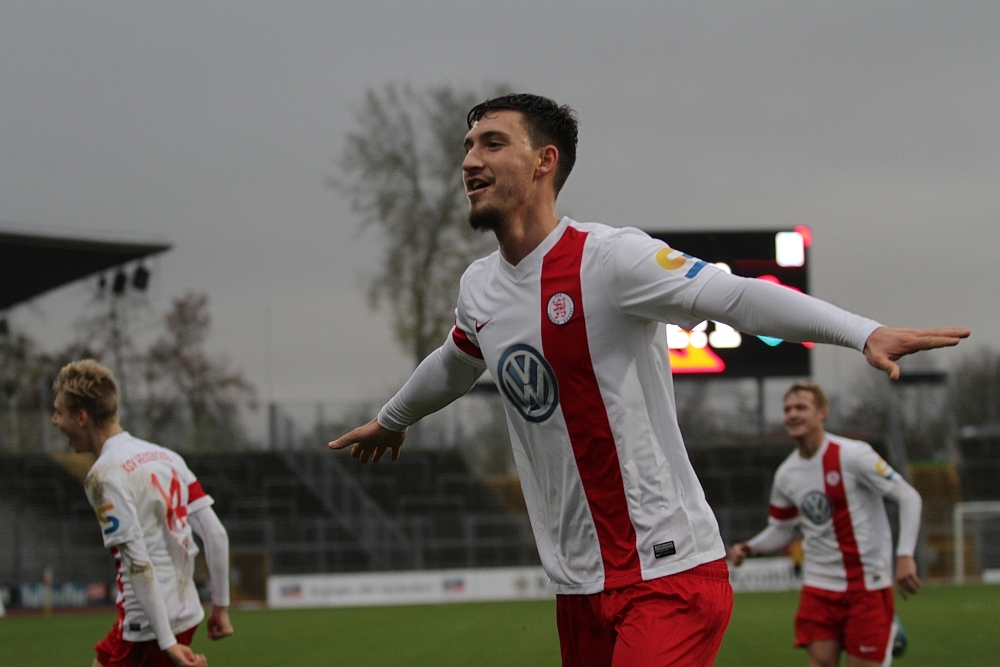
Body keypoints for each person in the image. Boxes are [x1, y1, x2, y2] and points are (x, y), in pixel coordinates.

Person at [330, 93, 967, 667]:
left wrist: (862, 332)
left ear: (545, 161)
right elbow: (455, 360)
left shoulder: (610, 259)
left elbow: (737, 297)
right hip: (578, 586)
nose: (470, 160)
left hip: (668, 575)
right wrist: (393, 419)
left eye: (492, 144)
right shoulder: (480, 287)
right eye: (469, 146)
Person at [51, 360, 233, 667]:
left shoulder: (104, 475)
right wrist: (220, 607)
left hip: (147, 626)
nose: (54, 420)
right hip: (182, 612)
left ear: (82, 418)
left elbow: (137, 562)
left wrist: (167, 643)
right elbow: (215, 533)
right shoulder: (167, 457)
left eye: (58, 412)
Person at [728, 381, 922, 667]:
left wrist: (905, 555)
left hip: (866, 585)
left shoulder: (854, 455)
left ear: (822, 413)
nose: (793, 414)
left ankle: (887, 627)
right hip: (818, 585)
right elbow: (782, 527)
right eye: (787, 409)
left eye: (801, 407)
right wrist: (751, 547)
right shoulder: (787, 474)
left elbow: (909, 497)